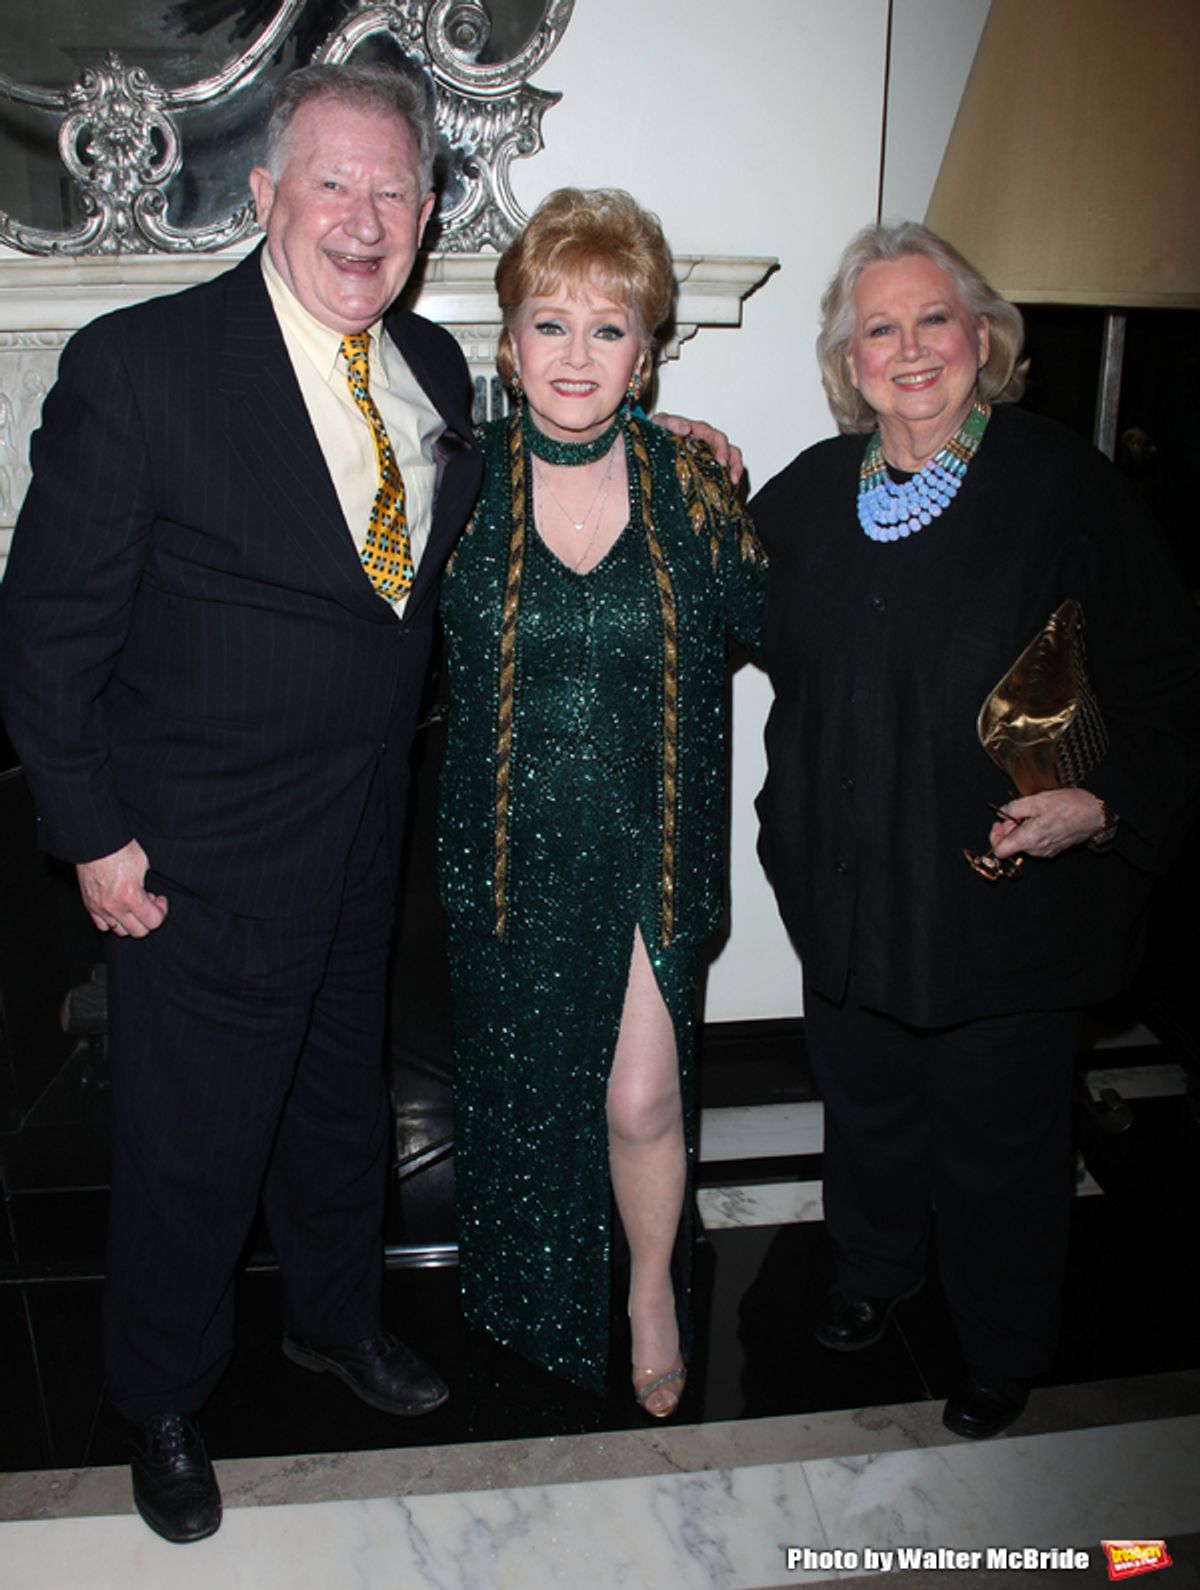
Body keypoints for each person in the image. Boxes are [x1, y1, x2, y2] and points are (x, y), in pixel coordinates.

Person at [0, 64, 484, 1543]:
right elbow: (46, 631)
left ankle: (334, 1322)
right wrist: (92, 832)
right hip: (193, 855)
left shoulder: (436, 368)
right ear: (266, 195)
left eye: (393, 190)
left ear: (426, 214)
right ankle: (157, 1392)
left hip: (360, 830)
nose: (364, 219)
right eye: (332, 183)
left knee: (337, 1105)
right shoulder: (142, 367)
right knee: (191, 1145)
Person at [752, 221, 1200, 1440]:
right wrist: (667, 458)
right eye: (879, 328)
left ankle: (1003, 1343)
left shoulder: (1063, 485)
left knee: (1001, 1140)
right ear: (849, 360)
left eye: (933, 320)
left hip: (1004, 900)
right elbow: (712, 590)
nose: (909, 349)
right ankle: (873, 1268)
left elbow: (1169, 676)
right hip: (850, 883)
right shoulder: (808, 494)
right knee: (868, 1104)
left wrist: (1102, 802)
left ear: (983, 337)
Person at [437, 189, 766, 1416]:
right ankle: (528, 1301)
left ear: (646, 352)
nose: (577, 355)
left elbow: (780, 625)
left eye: (609, 328)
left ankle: (650, 1291)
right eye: (551, 323)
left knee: (641, 1095)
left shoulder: (691, 483)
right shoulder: (453, 484)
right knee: (525, 1103)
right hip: (506, 855)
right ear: (509, 342)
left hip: (651, 848)